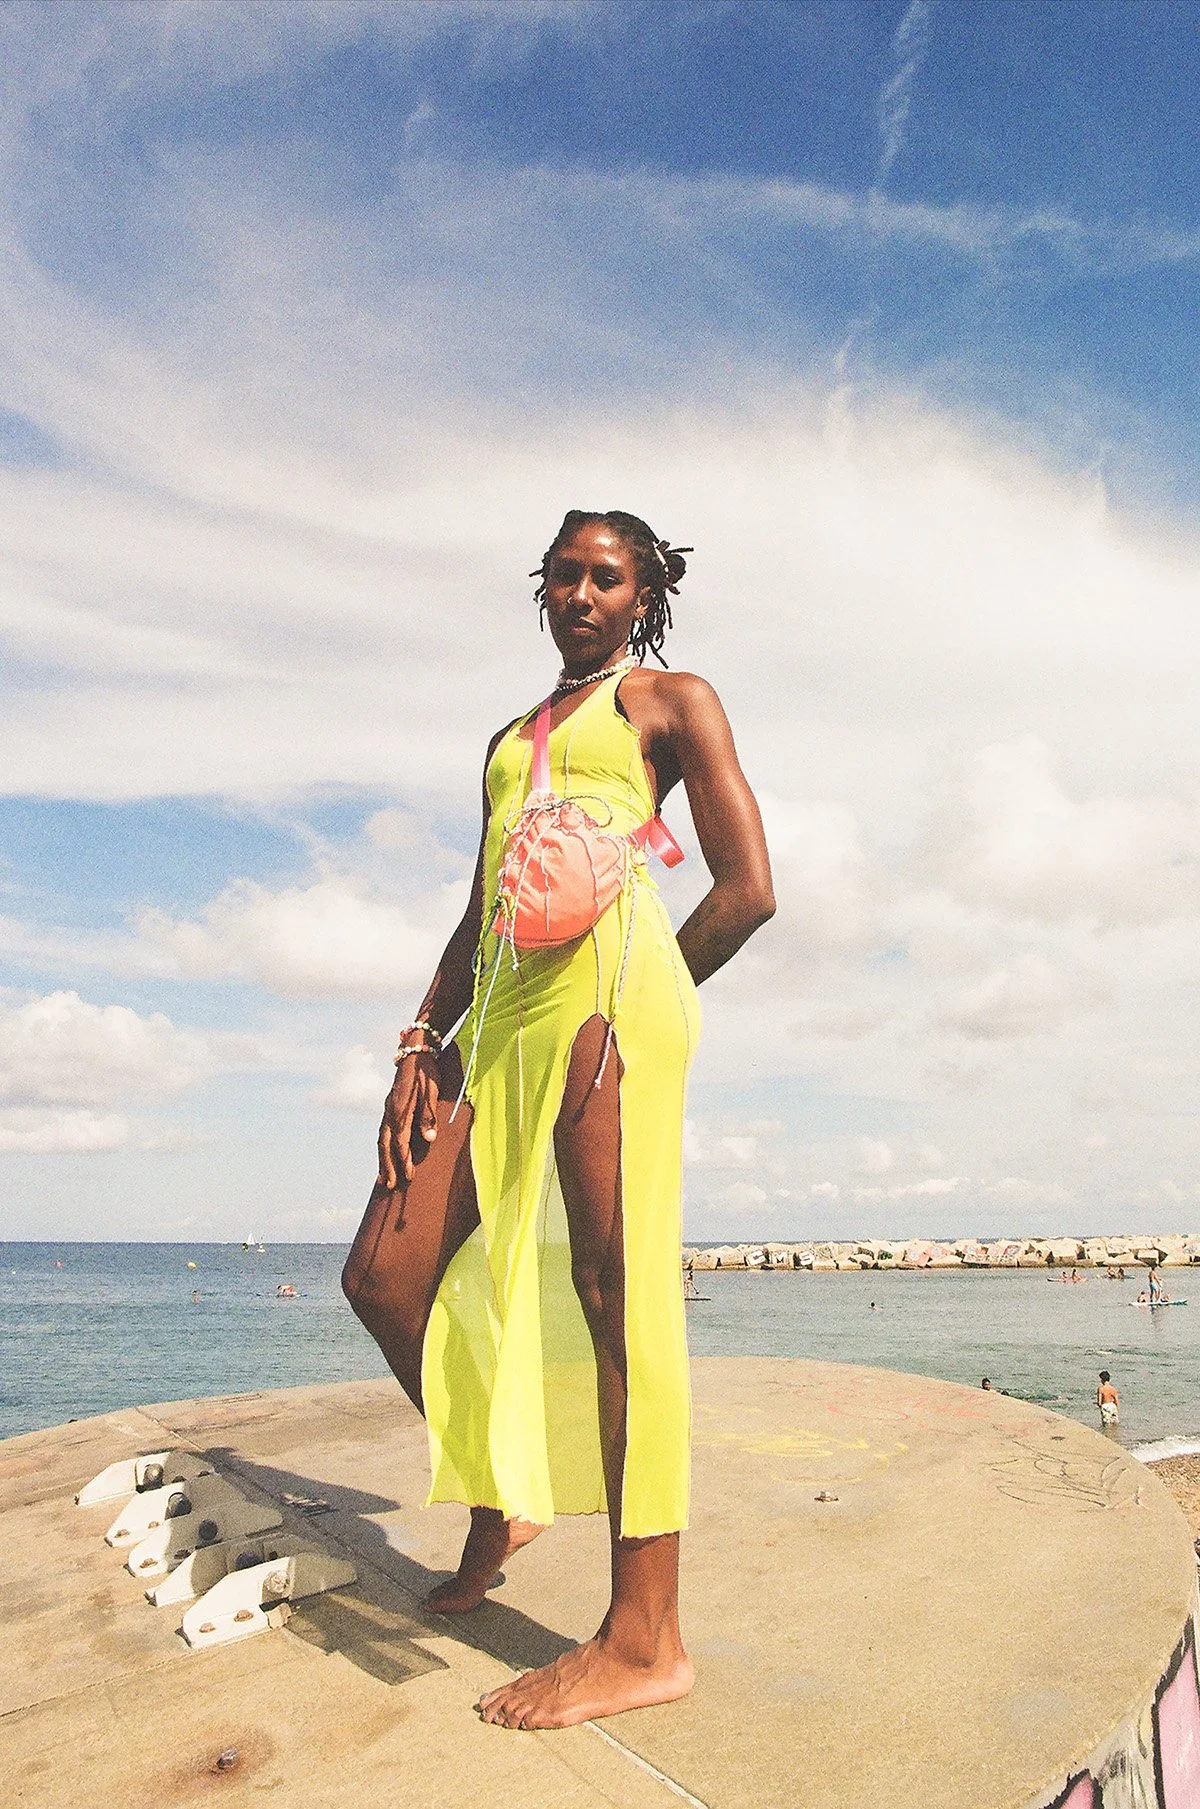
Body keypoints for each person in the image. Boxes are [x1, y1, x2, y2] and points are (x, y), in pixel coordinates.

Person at [342, 509, 774, 1730]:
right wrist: (423, 1039)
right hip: (503, 1018)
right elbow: (482, 903)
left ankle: (646, 1639)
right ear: (541, 591)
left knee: (613, 1291)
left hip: (612, 1003)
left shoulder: (669, 703)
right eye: (566, 575)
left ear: (643, 596)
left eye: (608, 577)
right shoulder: (506, 738)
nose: (583, 592)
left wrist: (645, 995)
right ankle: (505, 1498)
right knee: (386, 1270)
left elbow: (748, 890)